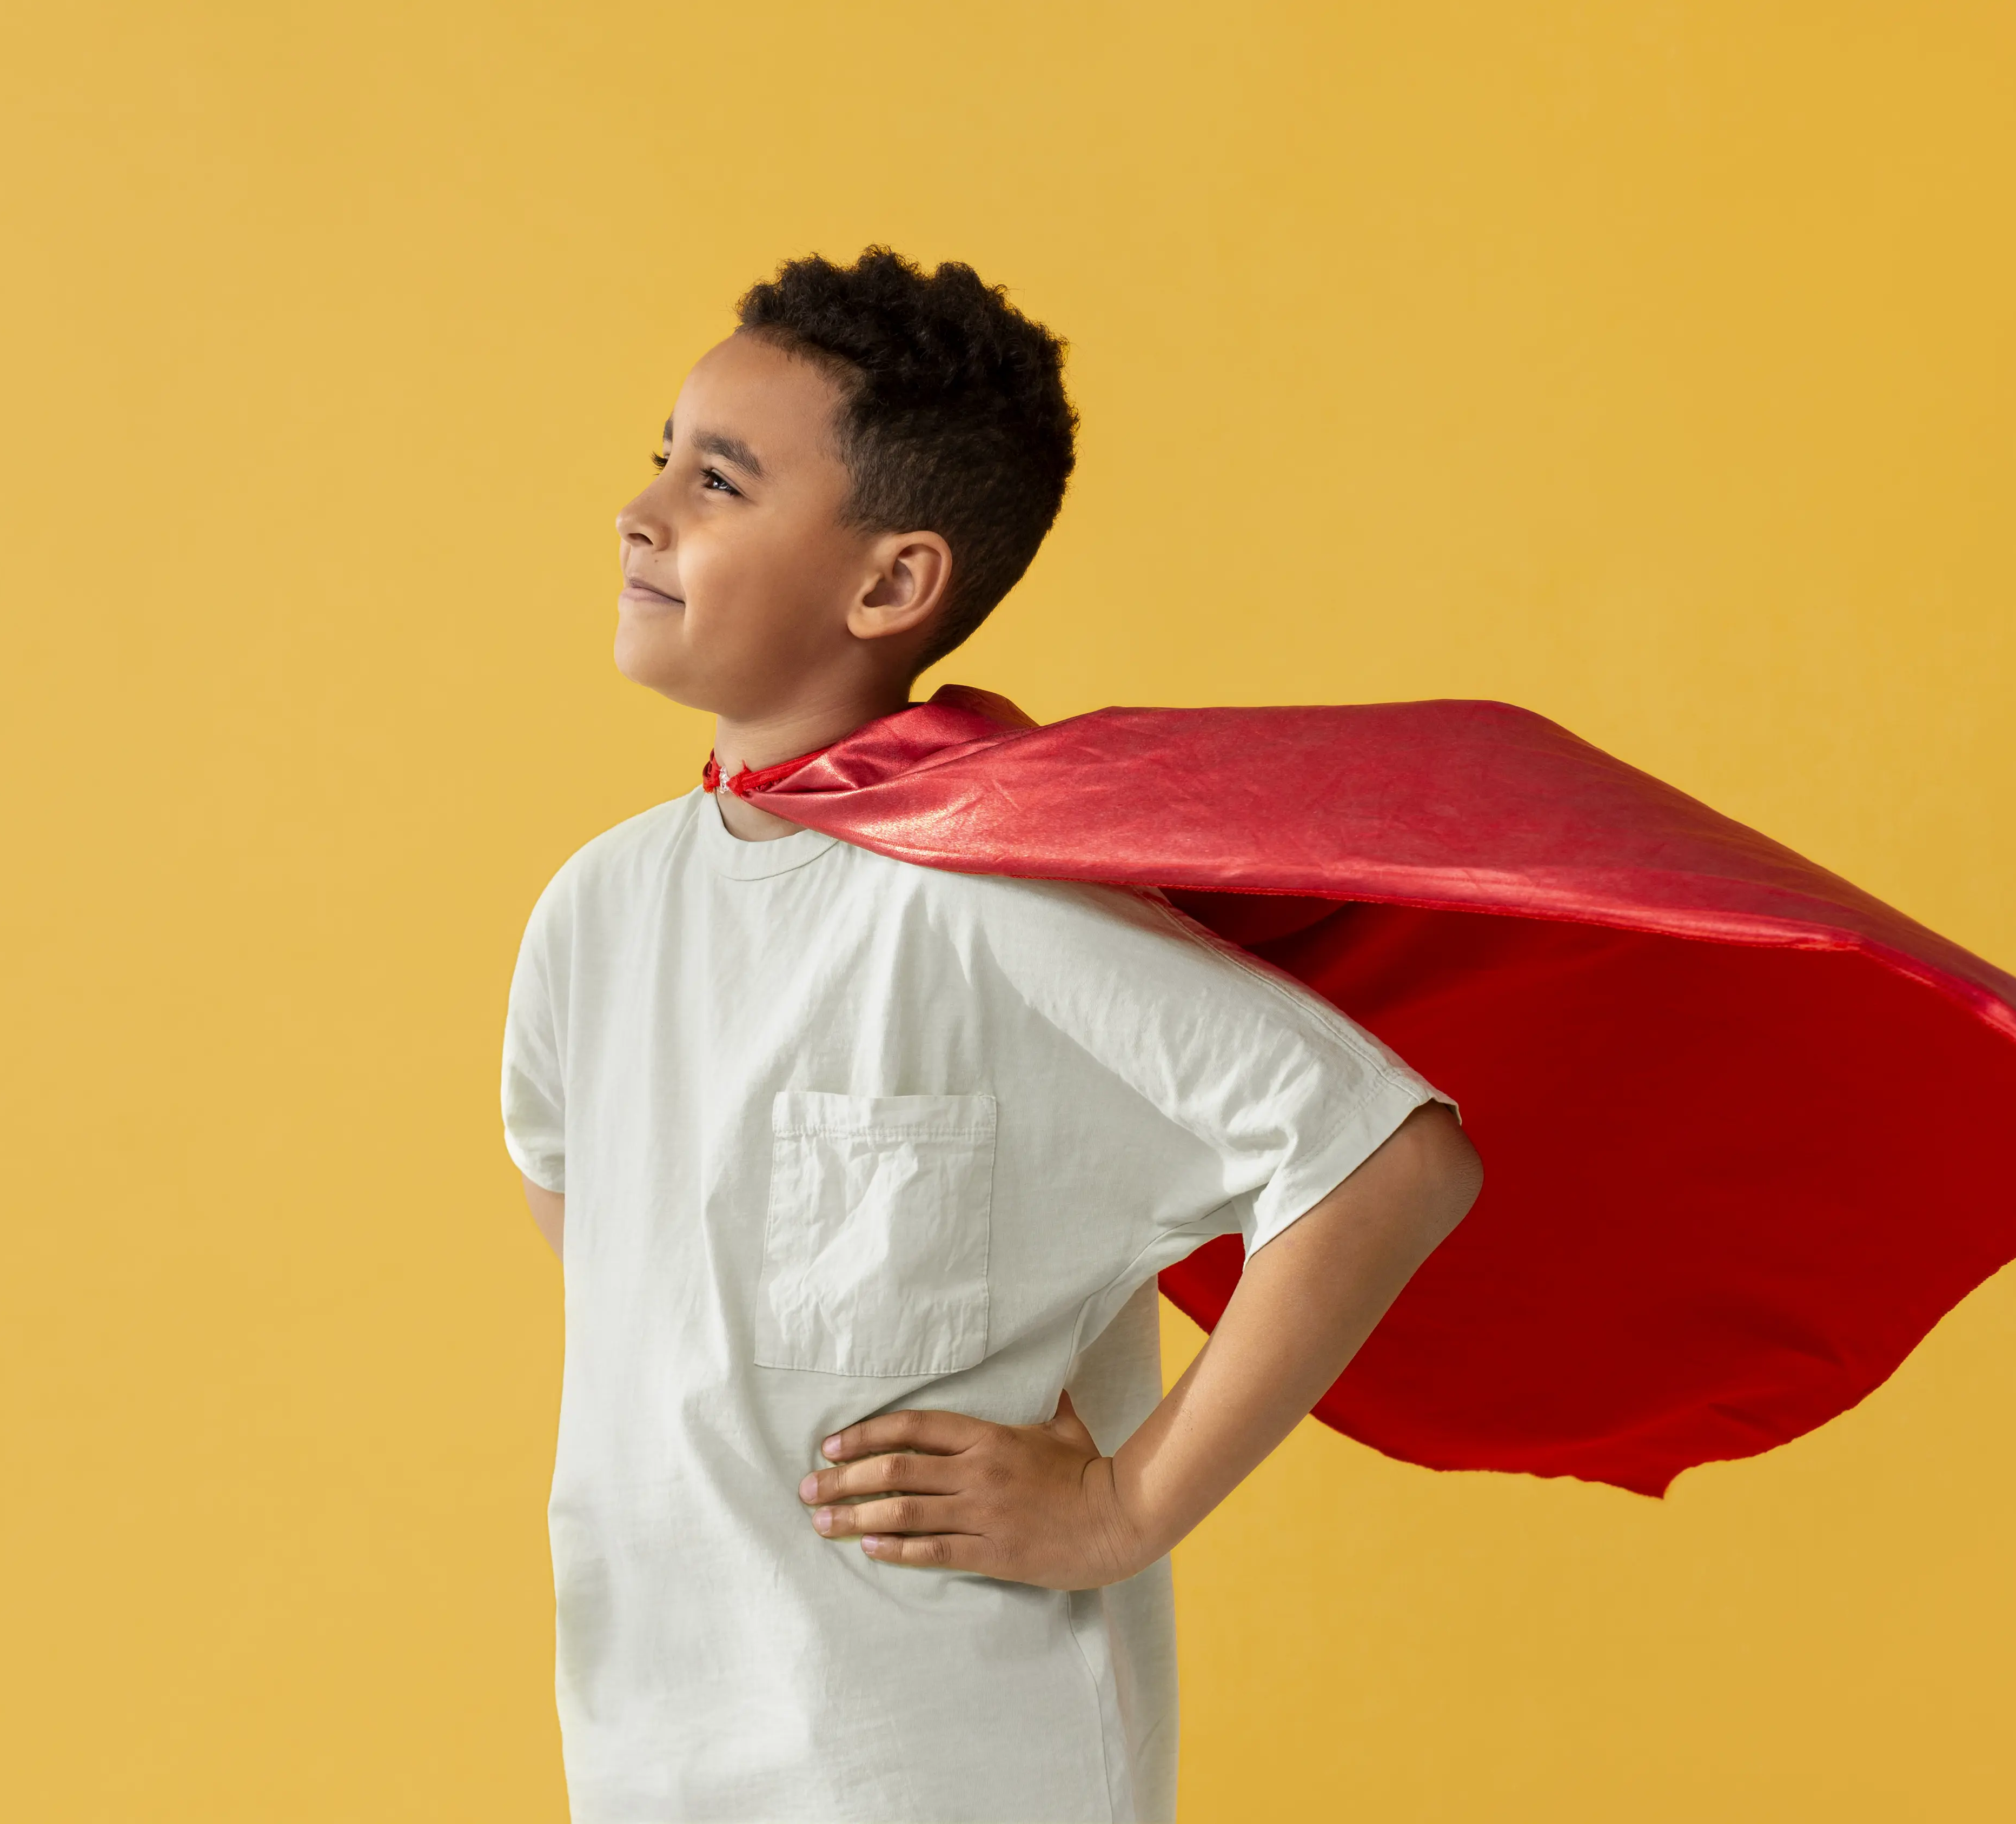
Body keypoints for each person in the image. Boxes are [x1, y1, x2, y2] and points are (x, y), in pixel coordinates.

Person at [500, 248, 1484, 1824]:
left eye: (721, 481)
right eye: (661, 459)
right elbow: (606, 1226)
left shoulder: (992, 906)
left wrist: (1123, 1503)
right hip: (654, 1742)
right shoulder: (598, 910)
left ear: (890, 584)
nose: (647, 510)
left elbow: (1385, 1158)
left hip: (941, 1755)